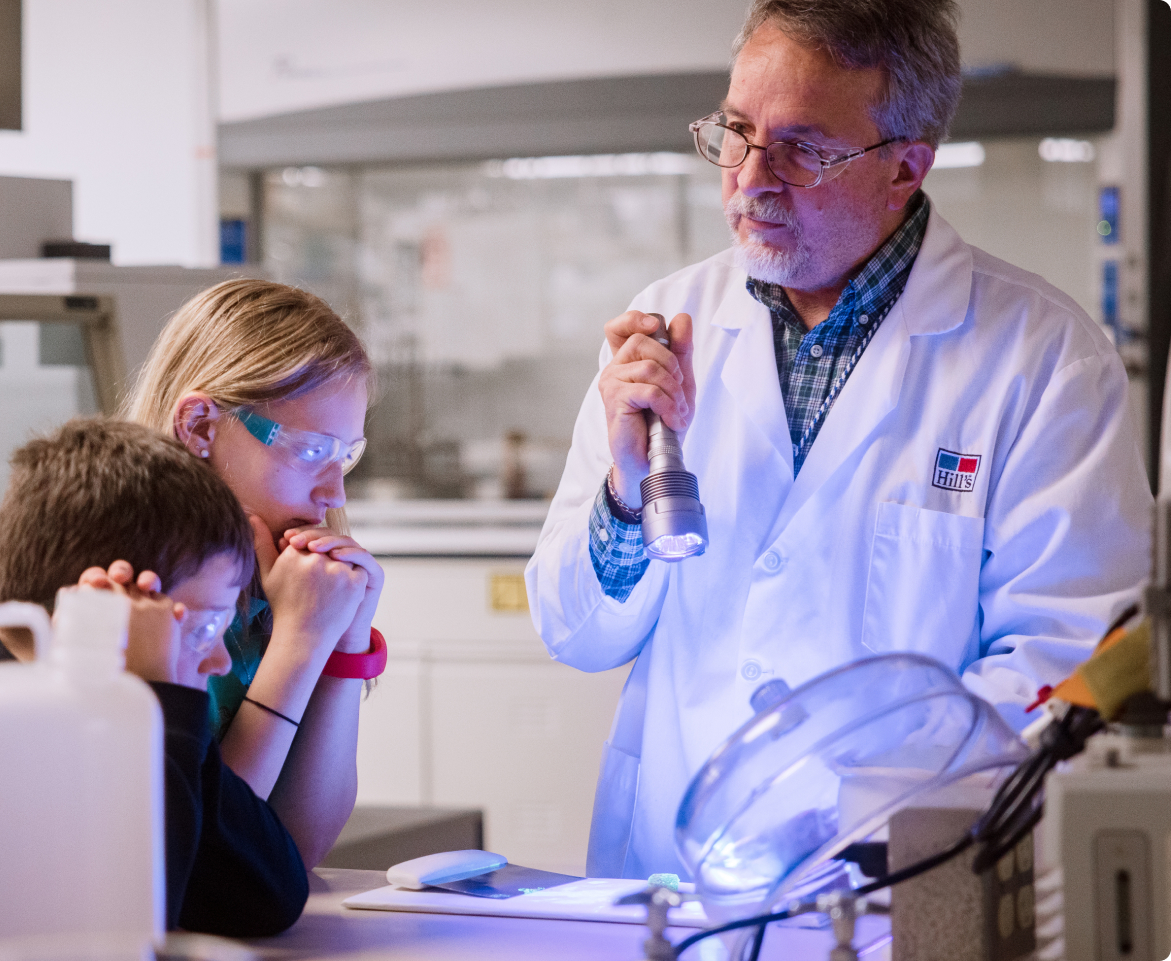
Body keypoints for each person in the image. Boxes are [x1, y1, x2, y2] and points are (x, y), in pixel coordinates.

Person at [526, 0, 1153, 880]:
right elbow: (573, 633)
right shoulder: (664, 327)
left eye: (802, 150)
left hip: (896, 874)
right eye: (736, 133)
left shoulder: (1042, 357)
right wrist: (627, 496)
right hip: (669, 868)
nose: (749, 179)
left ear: (905, 167)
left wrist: (837, 811)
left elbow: (1058, 666)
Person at [0, 419, 309, 937]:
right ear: (100, 604)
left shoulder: (79, 702)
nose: (220, 660)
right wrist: (163, 700)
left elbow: (272, 897)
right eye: (203, 627)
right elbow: (131, 928)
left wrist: (173, 717)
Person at [122, 279, 382, 867]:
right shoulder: (138, 598)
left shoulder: (278, 587)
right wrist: (298, 645)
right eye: (313, 450)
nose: (335, 490)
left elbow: (296, 847)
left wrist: (346, 640)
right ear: (200, 428)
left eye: (346, 454)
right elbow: (210, 852)